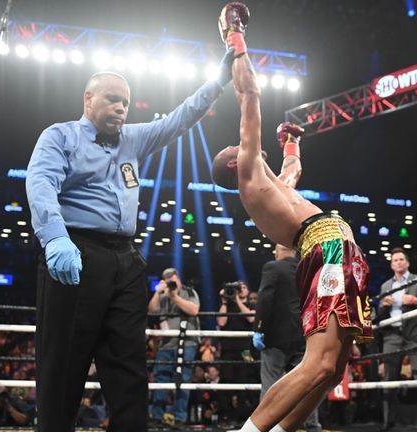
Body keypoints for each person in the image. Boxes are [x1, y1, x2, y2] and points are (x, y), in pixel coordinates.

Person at [25, 43, 235, 430]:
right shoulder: (60, 136)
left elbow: (181, 118)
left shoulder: (132, 139)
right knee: (64, 366)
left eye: (126, 102)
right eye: (112, 99)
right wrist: (54, 236)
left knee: (128, 366)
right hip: (75, 252)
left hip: (125, 260)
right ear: (88, 99)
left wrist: (218, 81)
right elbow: (40, 184)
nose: (121, 108)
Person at [210, 4, 372, 431]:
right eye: (234, 148)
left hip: (337, 244)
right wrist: (233, 34)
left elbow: (293, 172)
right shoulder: (247, 175)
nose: (240, 145)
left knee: (335, 367)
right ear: (232, 165)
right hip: (324, 245)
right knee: (319, 363)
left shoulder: (272, 184)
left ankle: (282, 430)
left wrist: (290, 143)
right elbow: (250, 95)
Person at [253, 244, 321, 432]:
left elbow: (265, 298)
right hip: (304, 334)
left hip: (276, 336)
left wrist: (259, 328)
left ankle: (264, 426)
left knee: (270, 382)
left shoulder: (272, 267)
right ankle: (312, 425)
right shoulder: (307, 269)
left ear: (277, 251)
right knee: (306, 384)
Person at [376, 248, 417, 430]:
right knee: (389, 380)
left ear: (407, 263)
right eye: (395, 260)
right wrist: (384, 305)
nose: (399, 262)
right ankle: (388, 422)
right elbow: (378, 314)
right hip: (392, 334)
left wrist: (416, 301)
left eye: (402, 259)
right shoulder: (386, 286)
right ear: (391, 264)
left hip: (415, 332)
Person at [148, 267, 201, 427]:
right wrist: (158, 292)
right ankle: (157, 417)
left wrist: (174, 297)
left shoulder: (189, 291)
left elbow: (193, 310)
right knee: (160, 378)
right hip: (166, 344)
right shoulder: (162, 296)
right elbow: (152, 311)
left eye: (173, 279)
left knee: (183, 379)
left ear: (178, 278)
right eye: (168, 280)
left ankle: (179, 418)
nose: (171, 283)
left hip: (187, 342)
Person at [216, 280, 255, 408]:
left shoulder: (252, 305)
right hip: (228, 350)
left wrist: (237, 300)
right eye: (237, 288)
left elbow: (251, 318)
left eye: (243, 287)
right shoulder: (227, 306)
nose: (240, 290)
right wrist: (224, 300)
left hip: (245, 350)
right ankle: (226, 415)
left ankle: (241, 416)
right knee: (226, 380)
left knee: (244, 381)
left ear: (247, 291)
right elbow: (221, 322)